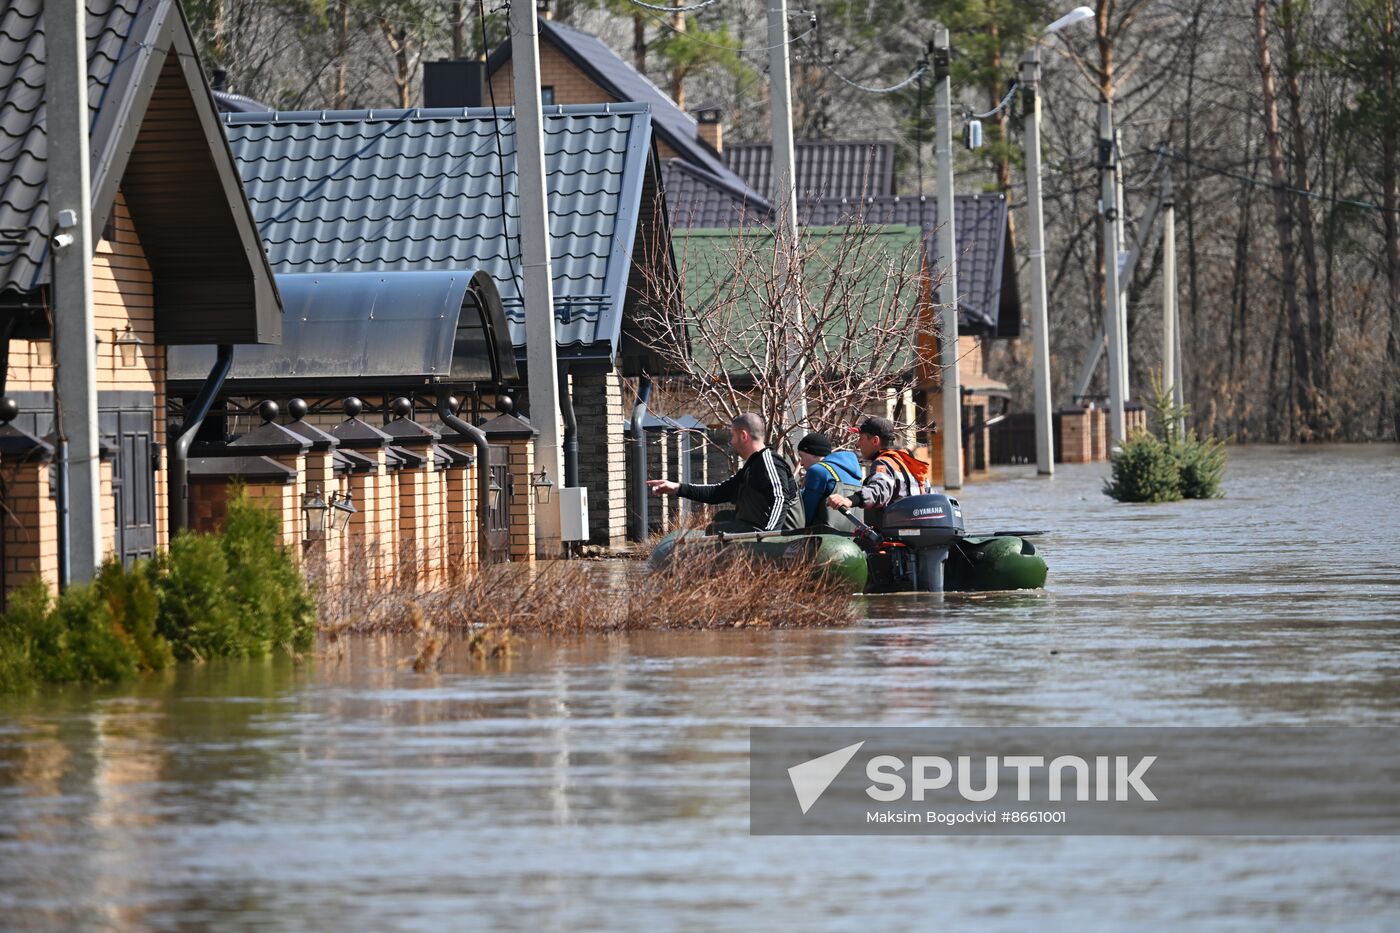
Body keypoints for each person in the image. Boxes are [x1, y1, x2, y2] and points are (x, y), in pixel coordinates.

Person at [647, 412, 800, 533]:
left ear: (744, 436)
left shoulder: (769, 462)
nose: (731, 442)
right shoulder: (752, 466)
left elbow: (780, 499)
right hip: (760, 529)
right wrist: (677, 488)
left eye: (732, 436)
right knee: (722, 518)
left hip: (783, 537)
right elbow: (717, 492)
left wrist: (768, 537)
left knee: (716, 529)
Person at [826, 415, 932, 521]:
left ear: (875, 441)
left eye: (861, 438)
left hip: (894, 529)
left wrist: (850, 500)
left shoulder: (883, 463)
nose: (858, 444)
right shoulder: (909, 463)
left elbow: (880, 489)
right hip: (914, 527)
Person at [795, 431, 864, 528]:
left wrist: (801, 491)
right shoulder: (855, 473)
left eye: (802, 456)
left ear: (814, 453)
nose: (801, 463)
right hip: (853, 535)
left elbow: (804, 516)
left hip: (823, 536)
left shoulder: (818, 471)